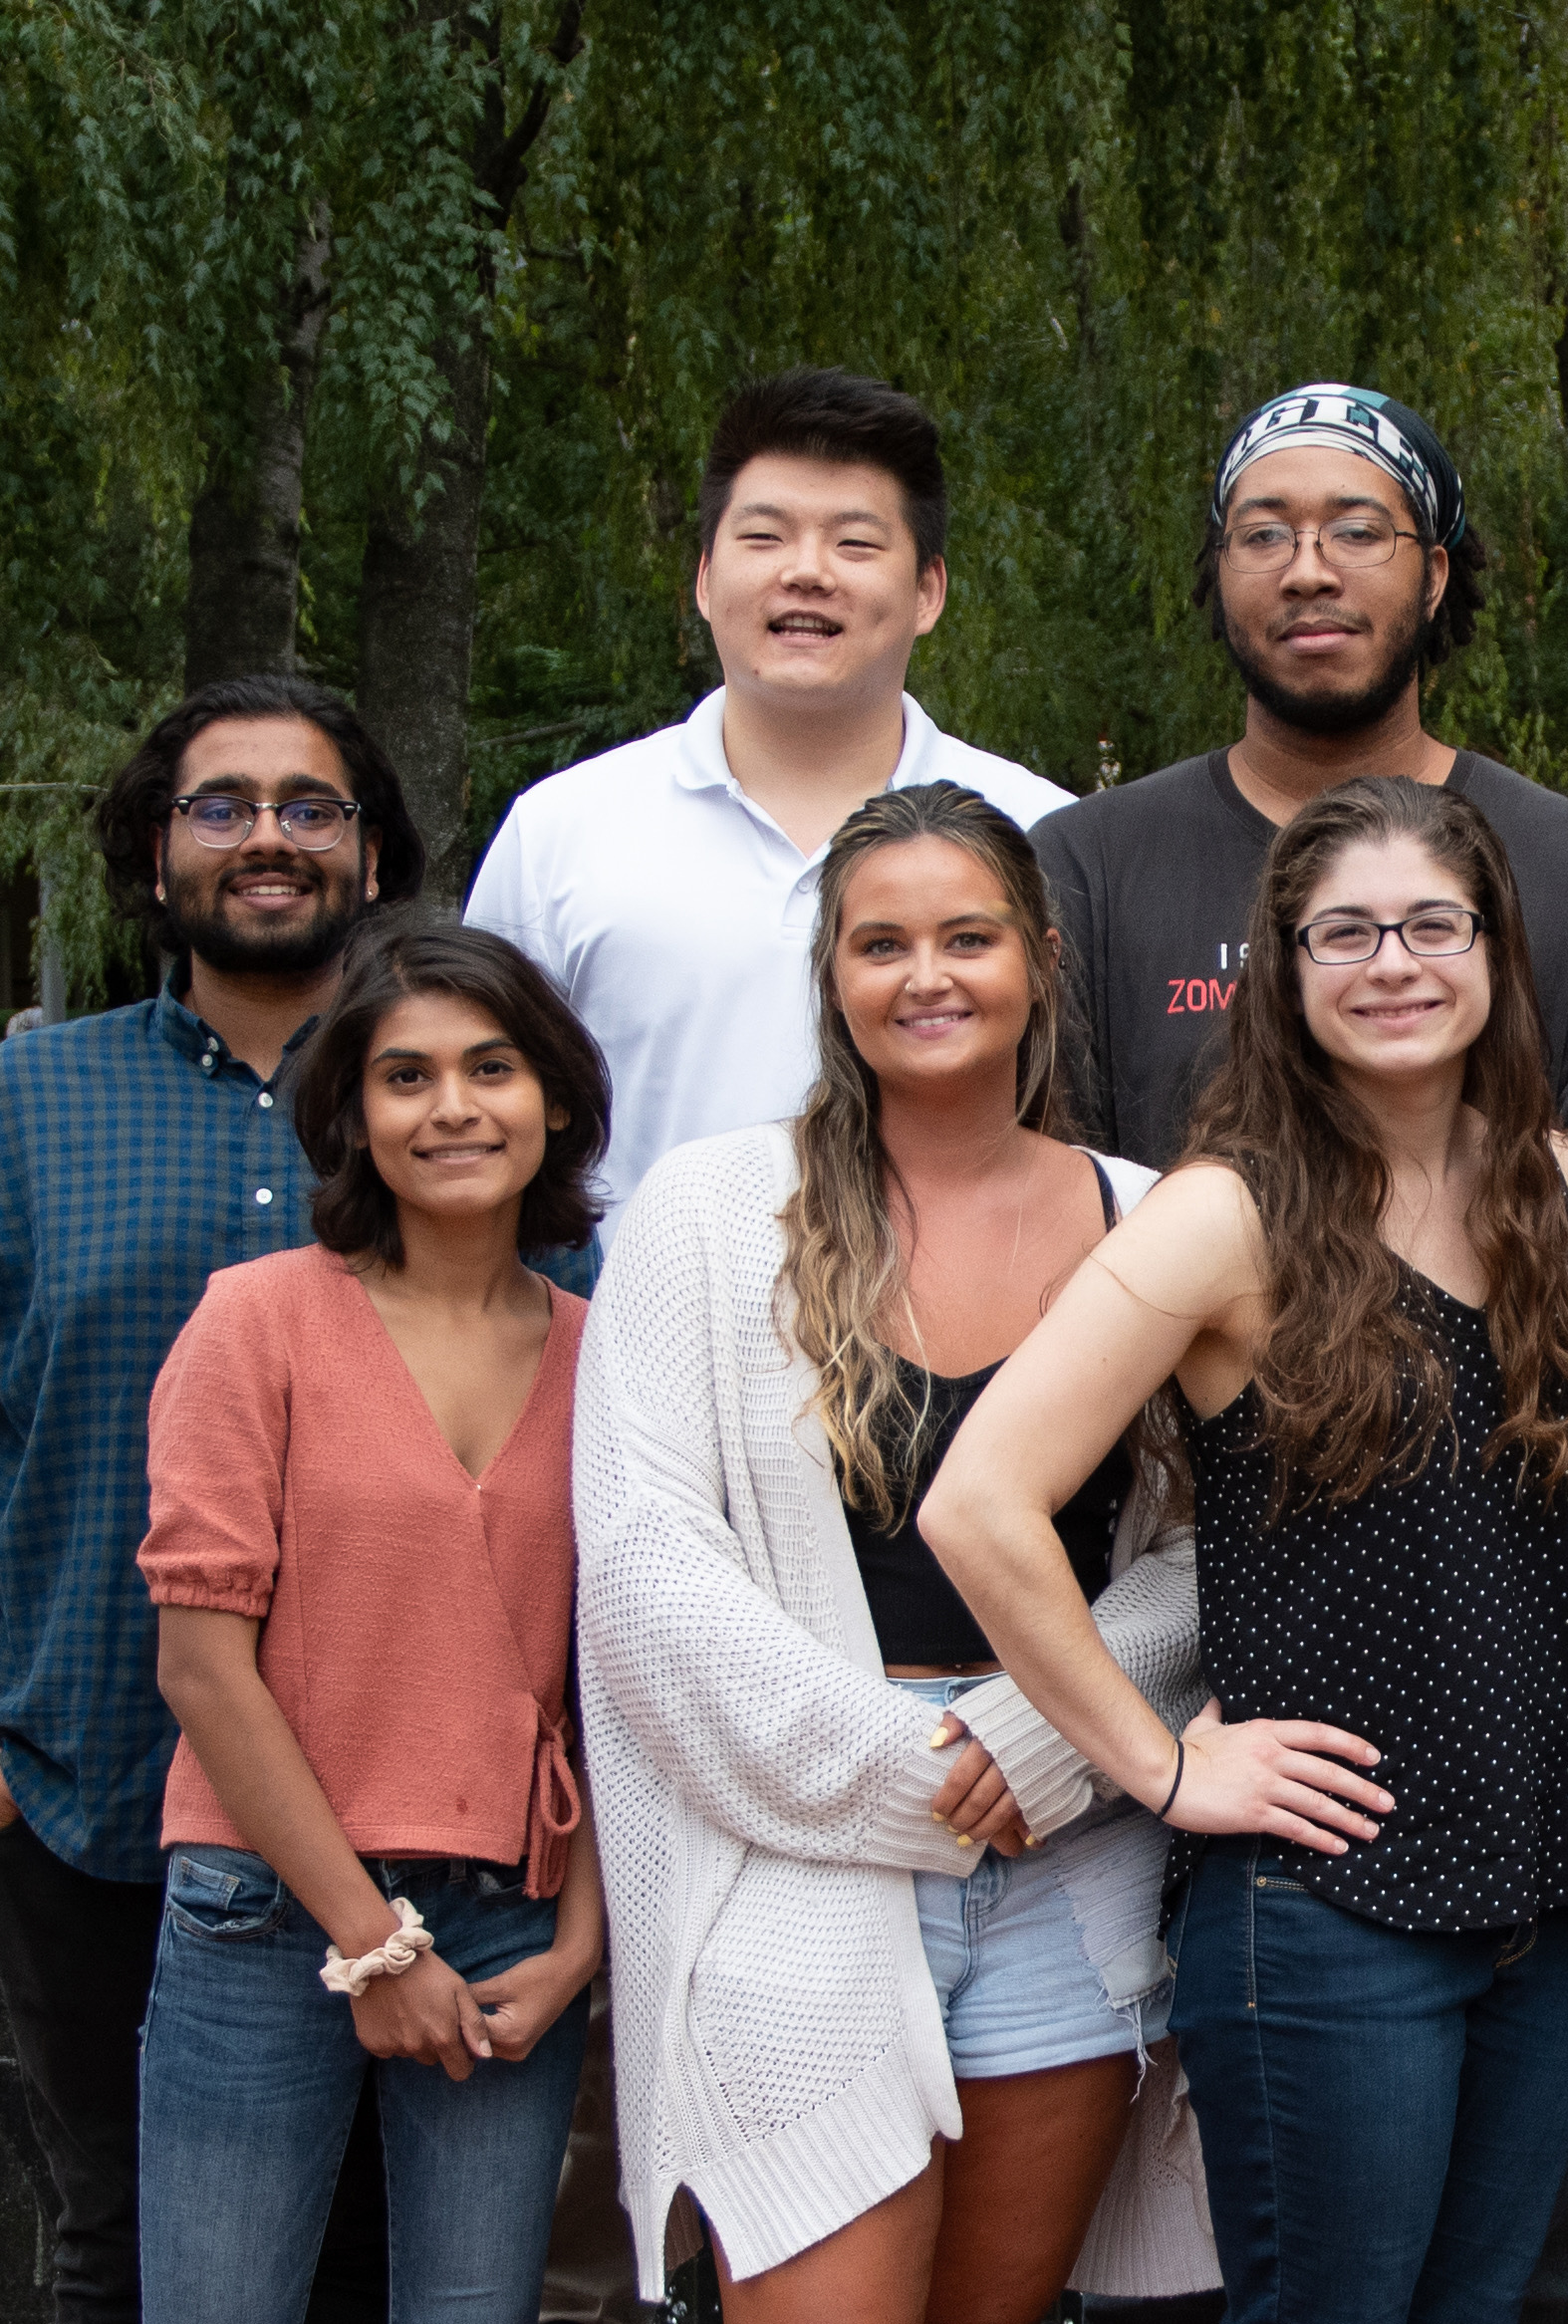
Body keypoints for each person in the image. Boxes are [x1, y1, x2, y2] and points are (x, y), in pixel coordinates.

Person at [924, 776, 1568, 2324]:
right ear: (1282, 966)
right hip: (1331, 1909)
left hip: (1551, 1880)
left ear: (1492, 950)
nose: (1391, 961)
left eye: (1430, 924)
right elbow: (979, 1503)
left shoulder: (1564, 1188)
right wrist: (1165, 1768)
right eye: (1344, 931)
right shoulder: (1226, 1215)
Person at [569, 785, 1209, 2320]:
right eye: (882, 942)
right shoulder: (706, 1215)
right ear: (832, 975)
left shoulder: (1149, 1218)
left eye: (968, 935)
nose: (928, 974)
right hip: (791, 1875)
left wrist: (1035, 1743)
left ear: (1041, 958)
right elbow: (645, 1571)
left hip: (1070, 1877)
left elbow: (1205, 1553)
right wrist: (920, 1766)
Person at [0, 676, 579, 2324]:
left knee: (390, 2261)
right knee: (128, 2237)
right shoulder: (32, 1100)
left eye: (310, 805)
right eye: (222, 803)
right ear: (154, 848)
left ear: (375, 846)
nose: (268, 835)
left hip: (440, 1810)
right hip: (91, 1778)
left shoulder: (458, 1120)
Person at [1028, 381, 1568, 1356]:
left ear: (1436, 573)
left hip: (1488, 1486)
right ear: (1220, 569)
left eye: (1358, 531)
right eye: (1262, 534)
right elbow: (1034, 1222)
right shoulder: (1080, 869)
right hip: (1163, 1488)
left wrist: (1400, 1480)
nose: (1307, 571)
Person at [135, 924, 610, 2320]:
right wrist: (376, 1945)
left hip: (514, 1923)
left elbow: (615, 1683)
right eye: (405, 1076)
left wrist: (580, 1941)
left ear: (557, 1100)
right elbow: (202, 1667)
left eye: (492, 1067)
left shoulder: (610, 1354)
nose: (452, 1105)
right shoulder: (257, 1322)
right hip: (267, 1909)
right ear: (349, 1114)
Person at [468, 366, 1073, 1224]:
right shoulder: (564, 829)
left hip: (976, 1349)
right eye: (765, 538)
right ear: (706, 581)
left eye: (855, 544)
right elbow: (478, 1105)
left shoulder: (1045, 830)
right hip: (635, 1346)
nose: (807, 572)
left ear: (928, 591)